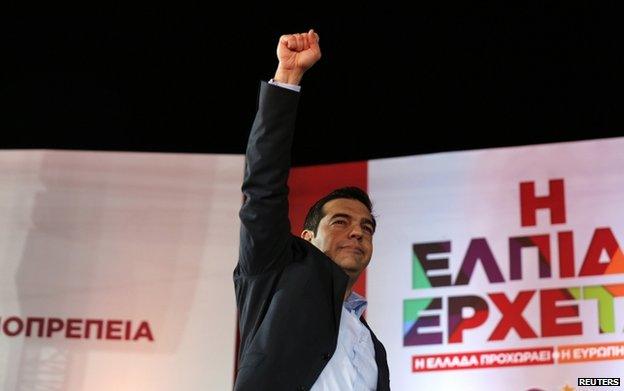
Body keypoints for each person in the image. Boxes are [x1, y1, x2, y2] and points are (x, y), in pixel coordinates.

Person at [234, 29, 390, 391]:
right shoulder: (275, 274)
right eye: (341, 221)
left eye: (367, 227)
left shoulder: (373, 346)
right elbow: (263, 189)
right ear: (307, 238)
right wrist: (287, 79)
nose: (358, 232)